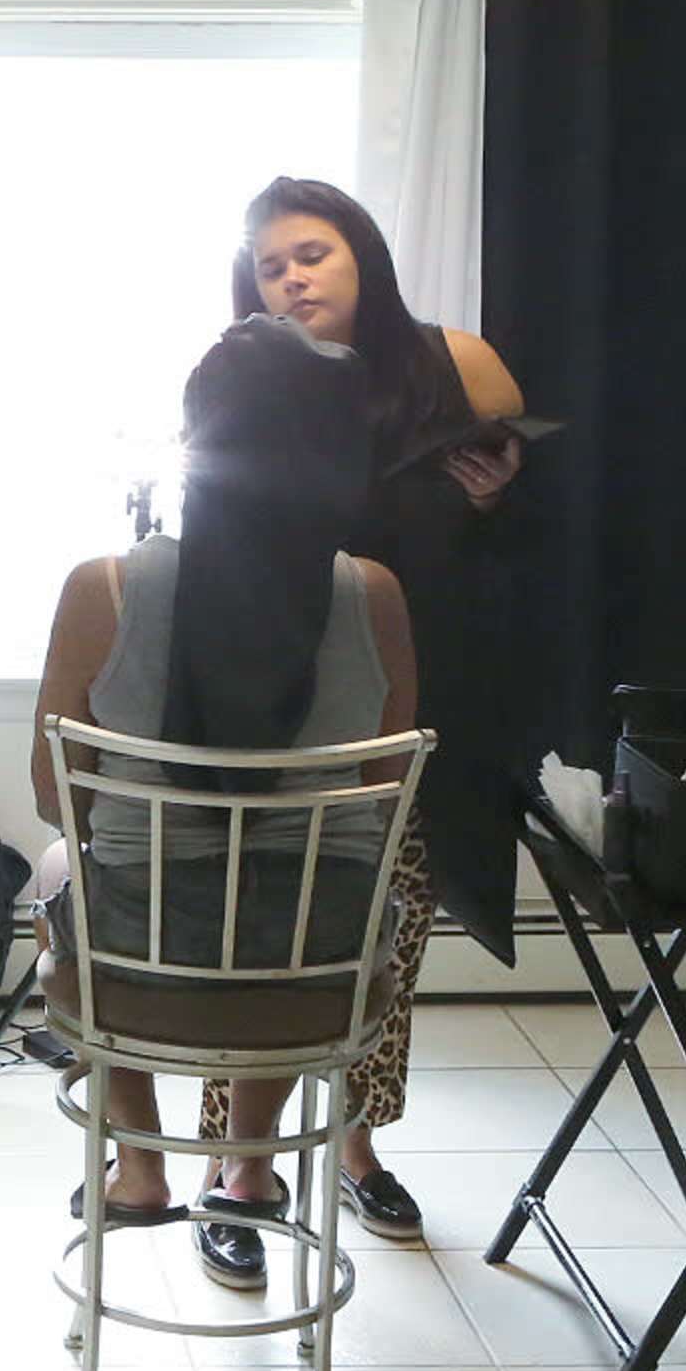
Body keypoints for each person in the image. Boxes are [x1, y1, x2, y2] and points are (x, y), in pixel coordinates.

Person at [33, 316, 419, 1290]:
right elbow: (385, 803)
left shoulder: (105, 589)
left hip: (136, 972)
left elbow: (54, 793)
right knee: (302, 895)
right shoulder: (375, 596)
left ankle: (144, 1163)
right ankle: (249, 1170)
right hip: (311, 983)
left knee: (66, 863)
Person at [201, 177, 540, 1247]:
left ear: (364, 259)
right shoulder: (251, 376)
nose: (293, 277)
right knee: (252, 931)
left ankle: (356, 1142)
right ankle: (239, 1162)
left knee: (390, 930)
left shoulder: (458, 361)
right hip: (279, 685)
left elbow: (548, 534)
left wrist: (495, 496)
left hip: (422, 684)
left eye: (313, 254)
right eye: (271, 265)